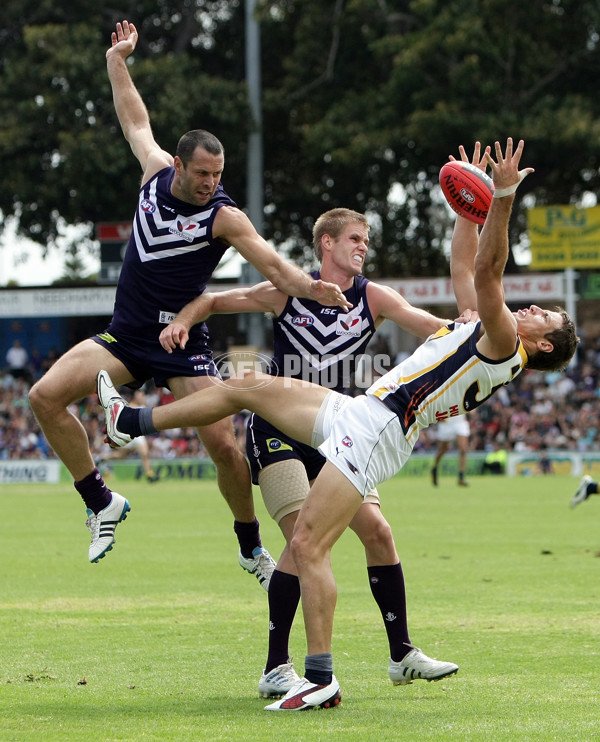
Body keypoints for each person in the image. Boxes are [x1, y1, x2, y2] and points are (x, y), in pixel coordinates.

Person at [96, 139, 579, 710]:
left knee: (306, 544)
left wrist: (500, 196)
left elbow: (489, 269)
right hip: (360, 412)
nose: (532, 308)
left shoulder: (502, 343)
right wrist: (468, 209)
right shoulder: (484, 328)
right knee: (247, 386)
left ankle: (317, 677)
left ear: (542, 342)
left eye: (542, 315)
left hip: (378, 429)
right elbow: (464, 265)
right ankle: (132, 419)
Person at [28, 20, 350, 579]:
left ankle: (249, 545)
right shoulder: (154, 173)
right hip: (126, 338)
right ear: (179, 164)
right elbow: (134, 117)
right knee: (43, 397)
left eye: (218, 173)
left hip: (180, 346)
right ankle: (101, 500)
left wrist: (312, 287)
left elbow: (271, 264)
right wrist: (116, 60)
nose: (211, 182)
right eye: (203, 173)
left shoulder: (223, 216)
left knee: (225, 449)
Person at [159, 207, 461, 696]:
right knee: (302, 540)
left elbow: (427, 325)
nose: (363, 247)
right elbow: (213, 302)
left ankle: (402, 654)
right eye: (355, 239)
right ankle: (276, 667)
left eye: (366, 240)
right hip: (277, 429)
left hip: (340, 434)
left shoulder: (374, 297)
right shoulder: (287, 291)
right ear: (326, 243)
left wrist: (471, 332)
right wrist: (181, 322)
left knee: (380, 534)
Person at [97, 389, 159, 484]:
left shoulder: (144, 406)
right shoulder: (131, 406)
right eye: (139, 396)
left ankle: (103, 458)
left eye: (142, 396)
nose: (140, 398)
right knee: (141, 454)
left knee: (128, 455)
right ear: (136, 397)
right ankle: (149, 475)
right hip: (133, 435)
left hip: (137, 436)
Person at [431, 415, 471, 487]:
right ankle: (435, 469)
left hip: (460, 421)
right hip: (447, 421)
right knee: (442, 450)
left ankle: (461, 477)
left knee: (463, 449)